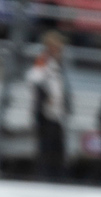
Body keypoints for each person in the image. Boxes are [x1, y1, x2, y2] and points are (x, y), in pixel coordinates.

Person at [24, 32, 69, 183]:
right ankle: (43, 178)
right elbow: (33, 78)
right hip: (46, 113)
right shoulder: (43, 60)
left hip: (56, 113)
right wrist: (46, 96)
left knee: (57, 149)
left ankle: (55, 178)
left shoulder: (57, 64)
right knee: (46, 148)